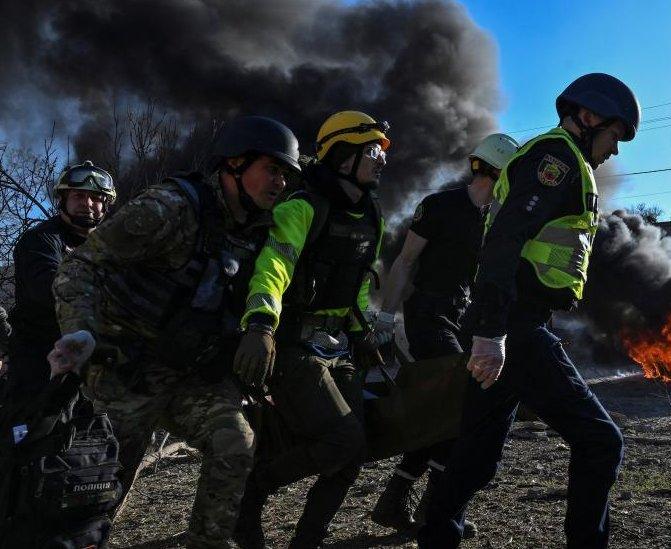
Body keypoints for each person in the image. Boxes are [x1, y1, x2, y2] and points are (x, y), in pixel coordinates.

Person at [48, 115, 301, 548]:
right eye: (272, 169)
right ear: (235, 165)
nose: (279, 182)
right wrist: (82, 333)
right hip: (125, 371)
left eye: (285, 174)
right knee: (94, 500)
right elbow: (82, 264)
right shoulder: (170, 207)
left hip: (190, 377)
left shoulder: (261, 231)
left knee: (234, 443)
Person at [417, 73, 641, 549]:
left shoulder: (559, 158)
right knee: (602, 442)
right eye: (614, 136)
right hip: (516, 325)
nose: (615, 150)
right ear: (589, 117)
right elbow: (503, 241)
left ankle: (435, 536)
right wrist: (492, 332)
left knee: (475, 458)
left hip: (511, 322)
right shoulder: (555, 159)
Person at [233, 110, 390, 548]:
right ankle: (253, 490)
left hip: (338, 347)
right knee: (343, 438)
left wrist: (362, 335)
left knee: (354, 452)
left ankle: (309, 539)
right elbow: (274, 266)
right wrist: (261, 322)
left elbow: (358, 283)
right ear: (342, 156)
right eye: (373, 151)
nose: (381, 161)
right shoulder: (303, 207)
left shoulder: (372, 215)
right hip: (290, 345)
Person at [370, 133, 518, 535]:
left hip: (463, 318)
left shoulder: (494, 220)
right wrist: (386, 318)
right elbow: (404, 262)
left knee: (442, 412)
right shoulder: (439, 206)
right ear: (494, 171)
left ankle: (397, 501)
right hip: (429, 314)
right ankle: (435, 509)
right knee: (458, 403)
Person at [7, 161, 116, 396]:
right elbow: (50, 287)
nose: (88, 204)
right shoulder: (40, 240)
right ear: (63, 200)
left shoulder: (113, 247)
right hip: (40, 364)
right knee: (38, 430)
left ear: (105, 206)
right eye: (78, 196)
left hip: (96, 364)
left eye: (96, 198)